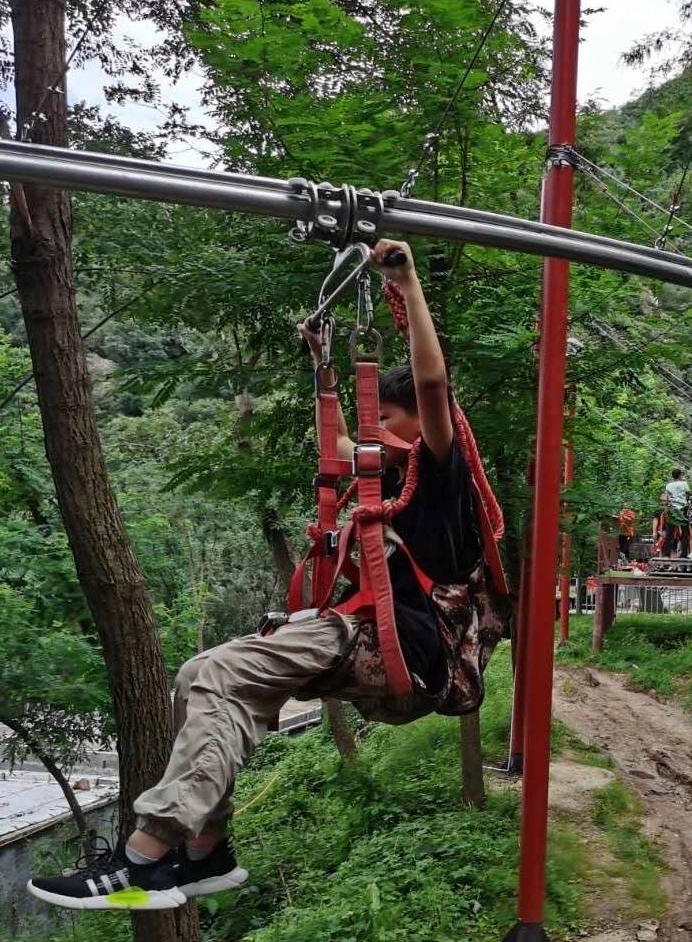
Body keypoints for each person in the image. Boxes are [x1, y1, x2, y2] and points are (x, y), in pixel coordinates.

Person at [27, 240, 507, 912]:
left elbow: (433, 388)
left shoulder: (440, 485)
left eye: (387, 425)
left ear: (409, 427)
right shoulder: (388, 477)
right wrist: (322, 369)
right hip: (373, 646)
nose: (374, 441)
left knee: (224, 673)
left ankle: (146, 854)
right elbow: (335, 443)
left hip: (404, 649)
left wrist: (407, 286)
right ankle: (208, 849)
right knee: (199, 673)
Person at [661, 469, 690, 558]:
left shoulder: (669, 485)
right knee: (685, 532)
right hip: (682, 508)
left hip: (672, 509)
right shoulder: (684, 484)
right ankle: (683, 554)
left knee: (669, 532)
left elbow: (667, 496)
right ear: (680, 475)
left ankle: (666, 554)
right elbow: (688, 493)